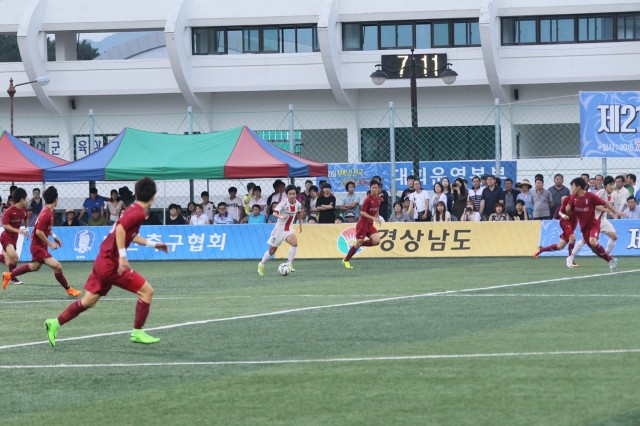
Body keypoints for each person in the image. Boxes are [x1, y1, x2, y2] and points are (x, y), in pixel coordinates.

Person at [44, 177, 170, 347]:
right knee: (147, 292)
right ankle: (137, 332)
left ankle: (55, 323)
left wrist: (154, 244)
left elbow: (129, 234)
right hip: (112, 264)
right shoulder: (138, 212)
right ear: (153, 197)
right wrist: (123, 257)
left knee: (88, 301)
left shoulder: (133, 209)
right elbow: (120, 230)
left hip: (102, 261)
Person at [2, 187, 82, 296]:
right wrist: (50, 243)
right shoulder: (47, 213)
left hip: (40, 246)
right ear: (56, 200)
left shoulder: (47, 211)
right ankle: (69, 289)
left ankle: (9, 275)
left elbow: (45, 228)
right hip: (38, 247)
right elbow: (39, 231)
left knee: (34, 267)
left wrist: (54, 237)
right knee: (57, 266)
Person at [565, 177, 619, 272]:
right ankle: (571, 256)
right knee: (588, 242)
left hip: (601, 220)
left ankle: (609, 256)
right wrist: (607, 210)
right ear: (605, 185)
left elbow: (605, 205)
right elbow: (594, 205)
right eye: (611, 184)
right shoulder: (600, 193)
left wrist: (613, 212)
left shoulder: (612, 195)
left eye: (613, 184)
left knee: (613, 237)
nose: (612, 187)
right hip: (594, 219)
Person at [258, 185, 302, 276]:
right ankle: (261, 264)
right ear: (287, 195)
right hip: (279, 230)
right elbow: (274, 213)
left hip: (288, 229)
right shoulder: (283, 203)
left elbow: (299, 213)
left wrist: (300, 224)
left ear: (296, 194)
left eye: (294, 194)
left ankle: (289, 264)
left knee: (294, 243)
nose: (292, 196)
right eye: (290, 194)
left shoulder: (298, 204)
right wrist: (281, 216)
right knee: (272, 251)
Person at [342, 180, 382, 269]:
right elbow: (362, 212)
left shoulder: (379, 199)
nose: (374, 189)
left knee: (377, 241)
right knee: (359, 242)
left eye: (376, 188)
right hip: (362, 224)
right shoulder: (367, 199)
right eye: (373, 188)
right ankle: (346, 260)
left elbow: (376, 208)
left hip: (370, 224)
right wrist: (373, 218)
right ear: (370, 188)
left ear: (379, 189)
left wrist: (377, 217)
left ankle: (359, 244)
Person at [1, 187, 29, 286]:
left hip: (14, 238)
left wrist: (26, 229)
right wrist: (19, 230)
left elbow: (26, 218)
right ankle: (12, 277)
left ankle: (9, 277)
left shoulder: (24, 210)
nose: (27, 200)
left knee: (9, 261)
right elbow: (5, 226)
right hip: (6, 237)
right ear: (22, 199)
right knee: (15, 258)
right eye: (26, 198)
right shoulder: (9, 211)